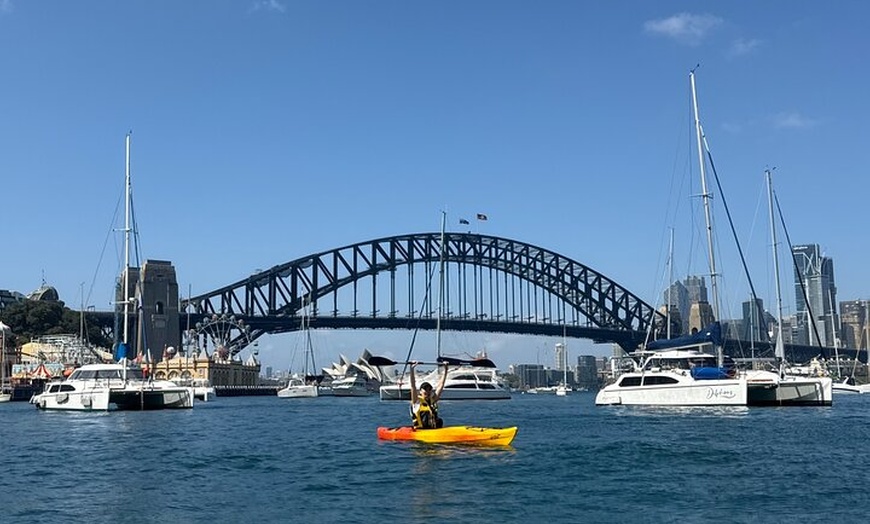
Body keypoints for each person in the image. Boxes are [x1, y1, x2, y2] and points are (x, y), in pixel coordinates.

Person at [409, 361, 449, 429]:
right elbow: (413, 386)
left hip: (433, 430)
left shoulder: (433, 400)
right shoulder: (416, 402)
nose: (427, 391)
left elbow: (441, 385)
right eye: (425, 389)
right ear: (420, 391)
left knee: (439, 421)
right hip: (421, 431)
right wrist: (412, 369)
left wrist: (445, 369)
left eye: (429, 389)